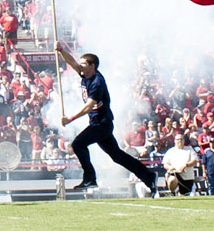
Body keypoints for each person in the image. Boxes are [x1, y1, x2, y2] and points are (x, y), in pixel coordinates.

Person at [55, 43, 156, 194]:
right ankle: (148, 176)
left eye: (84, 64)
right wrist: (62, 50)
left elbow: (89, 106)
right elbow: (72, 62)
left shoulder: (97, 82)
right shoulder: (85, 74)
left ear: (92, 66)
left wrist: (70, 119)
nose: (80, 66)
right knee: (117, 156)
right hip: (99, 123)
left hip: (102, 124)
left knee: (78, 144)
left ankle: (90, 178)